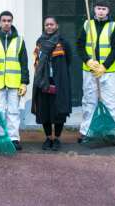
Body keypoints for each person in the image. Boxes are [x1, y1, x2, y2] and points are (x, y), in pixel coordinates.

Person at [76, 0, 115, 143]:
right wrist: (88, 60)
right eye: (98, 8)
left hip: (107, 72)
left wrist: (105, 66)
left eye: (104, 9)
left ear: (108, 11)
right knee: (89, 101)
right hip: (89, 71)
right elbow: (79, 45)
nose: (101, 11)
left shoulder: (113, 26)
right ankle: (86, 131)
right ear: (94, 10)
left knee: (109, 101)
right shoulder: (87, 25)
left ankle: (110, 132)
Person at [0, 10, 29, 151]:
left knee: (14, 111)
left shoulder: (19, 40)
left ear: (12, 22)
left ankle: (14, 138)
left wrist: (24, 82)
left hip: (14, 83)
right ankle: (0, 137)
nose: (6, 23)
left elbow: (24, 63)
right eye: (4, 20)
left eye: (9, 21)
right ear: (0, 21)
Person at [31, 16, 72, 151]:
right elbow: (36, 60)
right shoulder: (40, 42)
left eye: (51, 24)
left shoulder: (63, 42)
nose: (49, 27)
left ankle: (57, 139)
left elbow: (69, 59)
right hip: (43, 81)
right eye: (47, 24)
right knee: (45, 110)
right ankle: (48, 138)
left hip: (59, 81)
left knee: (59, 111)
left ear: (57, 26)